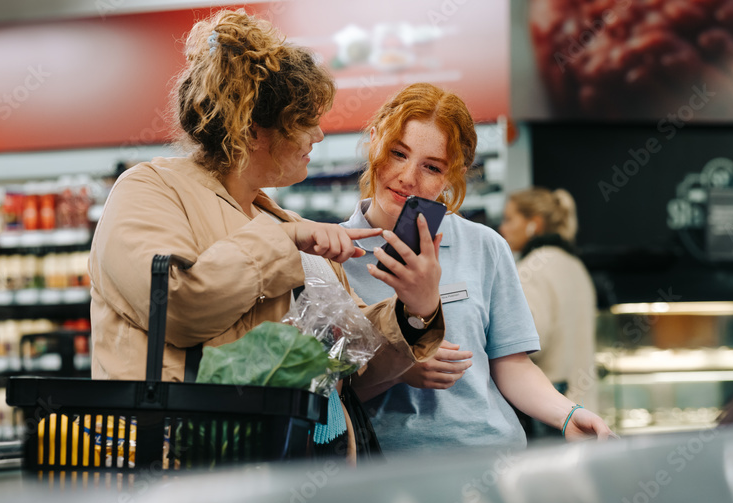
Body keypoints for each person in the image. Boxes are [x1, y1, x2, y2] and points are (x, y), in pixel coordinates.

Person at [87, 11, 445, 450]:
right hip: (184, 462)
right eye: (304, 121)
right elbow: (179, 305)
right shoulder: (150, 189)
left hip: (298, 466)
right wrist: (284, 242)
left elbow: (353, 361)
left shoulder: (283, 221)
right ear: (253, 130)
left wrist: (415, 311)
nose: (317, 135)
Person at [340, 83, 613, 450]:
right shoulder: (331, 254)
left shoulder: (484, 246)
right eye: (397, 153)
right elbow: (331, 389)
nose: (408, 177)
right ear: (374, 140)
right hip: (390, 470)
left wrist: (566, 415)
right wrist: (402, 367)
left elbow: (511, 365)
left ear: (455, 174)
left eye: (432, 167)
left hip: (491, 461)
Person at [500, 188, 599, 414]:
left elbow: (528, 344)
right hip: (583, 407)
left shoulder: (530, 269)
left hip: (551, 410)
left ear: (533, 223)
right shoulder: (575, 265)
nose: (502, 228)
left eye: (509, 219)